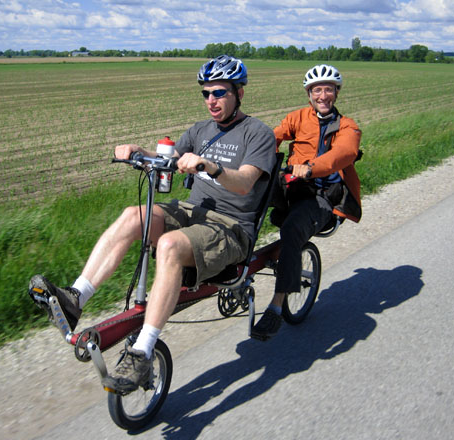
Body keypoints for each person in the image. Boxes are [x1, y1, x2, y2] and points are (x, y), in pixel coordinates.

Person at [29, 55, 277, 393]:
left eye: (219, 92)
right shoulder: (200, 130)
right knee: (134, 215)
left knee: (169, 246)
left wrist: (210, 167)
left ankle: (142, 351)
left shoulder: (257, 133)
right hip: (192, 211)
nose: (211, 101)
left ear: (240, 93)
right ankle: (75, 298)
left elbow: (245, 182)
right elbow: (169, 162)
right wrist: (138, 152)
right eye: (205, 94)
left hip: (230, 227)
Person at [250, 64, 362, 341]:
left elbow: (343, 153)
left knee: (291, 231)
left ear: (336, 92)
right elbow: (273, 136)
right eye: (316, 90)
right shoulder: (298, 117)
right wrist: (255, 155)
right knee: (247, 192)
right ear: (308, 94)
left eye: (328, 89)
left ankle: (276, 307)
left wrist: (311, 167)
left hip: (322, 197)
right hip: (292, 188)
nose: (322, 95)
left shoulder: (348, 126)